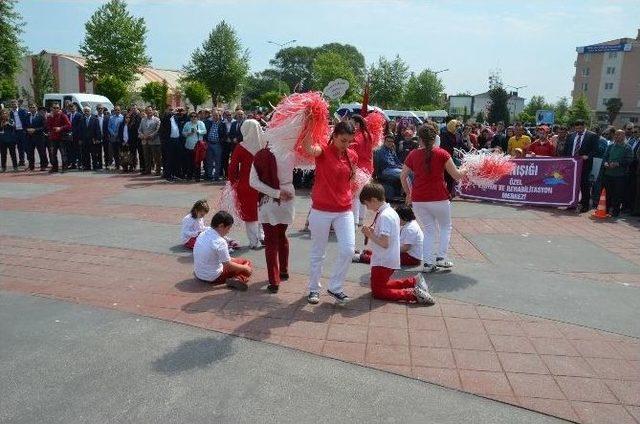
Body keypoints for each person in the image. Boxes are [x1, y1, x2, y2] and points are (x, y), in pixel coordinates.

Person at [302, 121, 358, 305]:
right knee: (318, 252)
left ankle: (335, 286)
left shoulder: (352, 155)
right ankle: (313, 289)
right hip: (321, 210)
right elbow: (309, 147)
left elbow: (352, 179)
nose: (346, 145)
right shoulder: (323, 151)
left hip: (344, 210)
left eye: (350, 141)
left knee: (349, 250)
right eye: (343, 140)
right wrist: (310, 121)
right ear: (334, 136)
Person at [401, 124, 466, 272]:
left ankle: (428, 263)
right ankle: (441, 258)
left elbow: (403, 176)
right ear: (435, 137)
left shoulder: (413, 154)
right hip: (439, 197)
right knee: (445, 227)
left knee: (429, 230)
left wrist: (409, 194)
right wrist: (467, 168)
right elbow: (456, 175)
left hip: (418, 199)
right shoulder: (442, 153)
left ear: (420, 139)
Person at [358, 183, 434, 305]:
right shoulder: (390, 211)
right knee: (380, 286)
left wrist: (370, 234)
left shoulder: (384, 216)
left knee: (378, 291)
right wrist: (373, 233)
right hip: (387, 258)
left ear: (373, 200)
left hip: (383, 260)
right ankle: (413, 282)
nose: (367, 207)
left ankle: (413, 294)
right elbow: (387, 237)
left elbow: (384, 243)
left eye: (367, 204)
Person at [249, 140, 296, 293]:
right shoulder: (292, 151)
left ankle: (274, 280)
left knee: (270, 240)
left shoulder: (261, 154)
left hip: (269, 199)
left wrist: (276, 193)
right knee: (282, 235)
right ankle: (284, 270)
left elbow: (253, 182)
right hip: (288, 196)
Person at [228, 119, 265, 248]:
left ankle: (254, 241)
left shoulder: (241, 147)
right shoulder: (265, 145)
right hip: (264, 183)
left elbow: (233, 167)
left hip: (246, 183)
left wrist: (233, 182)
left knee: (249, 214)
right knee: (261, 210)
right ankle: (262, 236)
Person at [193, 211, 253, 290]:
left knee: (238, 262)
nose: (228, 231)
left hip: (198, 274)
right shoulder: (220, 242)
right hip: (213, 277)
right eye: (228, 228)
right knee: (247, 264)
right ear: (221, 226)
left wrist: (233, 260)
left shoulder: (203, 233)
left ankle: (237, 276)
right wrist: (245, 268)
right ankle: (238, 278)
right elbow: (228, 266)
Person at [353, 204, 423, 267]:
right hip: (408, 254)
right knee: (385, 252)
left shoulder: (410, 229)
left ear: (404, 217)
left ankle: (361, 257)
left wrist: (391, 250)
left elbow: (406, 248)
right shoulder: (409, 224)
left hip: (412, 258)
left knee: (386, 258)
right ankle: (365, 252)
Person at [563, 119, 599, 213]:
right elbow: (566, 149)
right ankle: (571, 203)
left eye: (581, 126)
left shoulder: (592, 136)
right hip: (571, 165)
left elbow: (596, 150)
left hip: (585, 164)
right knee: (572, 185)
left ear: (584, 126)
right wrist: (565, 161)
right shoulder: (571, 136)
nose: (579, 128)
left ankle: (585, 205)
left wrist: (588, 156)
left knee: (584, 185)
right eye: (577, 126)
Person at [349, 114, 374, 226]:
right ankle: (360, 219)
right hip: (367, 169)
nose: (350, 125)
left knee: (355, 196)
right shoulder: (369, 136)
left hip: (358, 168)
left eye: (352, 123)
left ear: (357, 124)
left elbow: (351, 155)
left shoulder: (355, 137)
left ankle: (355, 220)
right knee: (362, 195)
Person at [602, 129, 633, 217]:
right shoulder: (610, 146)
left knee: (617, 194)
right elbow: (605, 157)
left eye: (619, 135)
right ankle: (606, 210)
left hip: (620, 175)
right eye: (615, 135)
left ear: (623, 136)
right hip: (608, 174)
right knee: (607, 193)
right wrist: (605, 163)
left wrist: (618, 164)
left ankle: (615, 211)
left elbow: (629, 160)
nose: (616, 136)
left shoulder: (627, 147)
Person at [45, 103, 72, 173]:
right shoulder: (50, 116)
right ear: (52, 109)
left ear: (59, 108)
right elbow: (47, 126)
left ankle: (65, 168)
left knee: (63, 153)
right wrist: (49, 117)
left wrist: (60, 128)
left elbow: (69, 125)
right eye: (54, 108)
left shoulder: (63, 116)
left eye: (57, 108)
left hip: (61, 138)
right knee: (53, 154)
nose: (56, 109)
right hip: (53, 138)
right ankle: (55, 168)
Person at [182, 111, 207, 181]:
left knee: (197, 162)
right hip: (189, 146)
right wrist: (188, 133)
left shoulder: (201, 123)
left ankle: (197, 177)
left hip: (198, 147)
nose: (193, 118)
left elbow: (205, 131)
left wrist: (198, 131)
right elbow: (183, 133)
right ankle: (189, 176)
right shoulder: (187, 124)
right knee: (189, 162)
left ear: (197, 117)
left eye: (195, 116)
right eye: (192, 116)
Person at [204, 109, 227, 181]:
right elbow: (205, 132)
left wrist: (221, 141)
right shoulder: (208, 123)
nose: (214, 117)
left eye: (216, 115)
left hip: (217, 144)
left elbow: (224, 134)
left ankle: (216, 176)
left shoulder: (222, 124)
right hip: (209, 143)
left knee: (218, 161)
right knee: (209, 161)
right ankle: (209, 175)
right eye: (213, 115)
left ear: (219, 116)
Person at [138, 106, 162, 175]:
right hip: (145, 141)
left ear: (152, 111)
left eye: (150, 110)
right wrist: (142, 135)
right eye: (147, 111)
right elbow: (139, 130)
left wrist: (151, 136)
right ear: (145, 112)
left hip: (154, 141)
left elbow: (157, 130)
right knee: (146, 157)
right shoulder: (143, 120)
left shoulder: (157, 120)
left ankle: (158, 171)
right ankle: (148, 170)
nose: (149, 112)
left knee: (156, 158)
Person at [25, 103, 48, 171]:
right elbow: (24, 126)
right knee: (30, 152)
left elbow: (44, 127)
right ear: (29, 109)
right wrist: (27, 130)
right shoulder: (27, 116)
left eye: (33, 107)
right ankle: (31, 166)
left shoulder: (41, 116)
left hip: (39, 137)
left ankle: (43, 166)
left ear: (36, 108)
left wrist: (35, 130)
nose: (32, 108)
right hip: (29, 137)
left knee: (41, 152)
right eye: (31, 107)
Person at [78, 106, 99, 170]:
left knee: (94, 154)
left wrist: (97, 139)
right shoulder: (82, 119)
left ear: (90, 111)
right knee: (85, 154)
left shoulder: (95, 119)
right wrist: (80, 139)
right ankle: (87, 166)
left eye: (88, 111)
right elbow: (80, 130)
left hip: (92, 140)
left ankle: (95, 166)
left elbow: (97, 130)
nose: (86, 112)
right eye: (85, 111)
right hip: (84, 140)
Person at [9, 99, 28, 167]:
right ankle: (21, 161)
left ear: (17, 104)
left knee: (25, 147)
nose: (14, 105)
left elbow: (26, 120)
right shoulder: (11, 113)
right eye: (12, 104)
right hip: (16, 131)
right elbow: (11, 121)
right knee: (19, 147)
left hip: (22, 131)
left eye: (15, 104)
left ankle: (30, 160)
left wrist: (25, 130)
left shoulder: (22, 111)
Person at [92, 105, 109, 169]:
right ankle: (100, 165)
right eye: (99, 108)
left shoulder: (107, 117)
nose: (100, 110)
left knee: (106, 151)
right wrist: (94, 138)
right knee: (98, 152)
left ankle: (107, 164)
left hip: (105, 137)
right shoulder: (94, 118)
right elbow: (93, 129)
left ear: (103, 109)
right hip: (97, 137)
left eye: (101, 108)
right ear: (97, 109)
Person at [107, 105, 124, 170]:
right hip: (113, 137)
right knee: (115, 152)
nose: (117, 111)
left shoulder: (122, 117)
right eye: (116, 110)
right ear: (114, 111)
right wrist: (113, 133)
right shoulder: (111, 118)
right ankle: (117, 165)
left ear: (120, 110)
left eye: (118, 110)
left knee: (120, 151)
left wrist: (118, 134)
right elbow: (109, 127)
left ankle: (122, 164)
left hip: (120, 137)